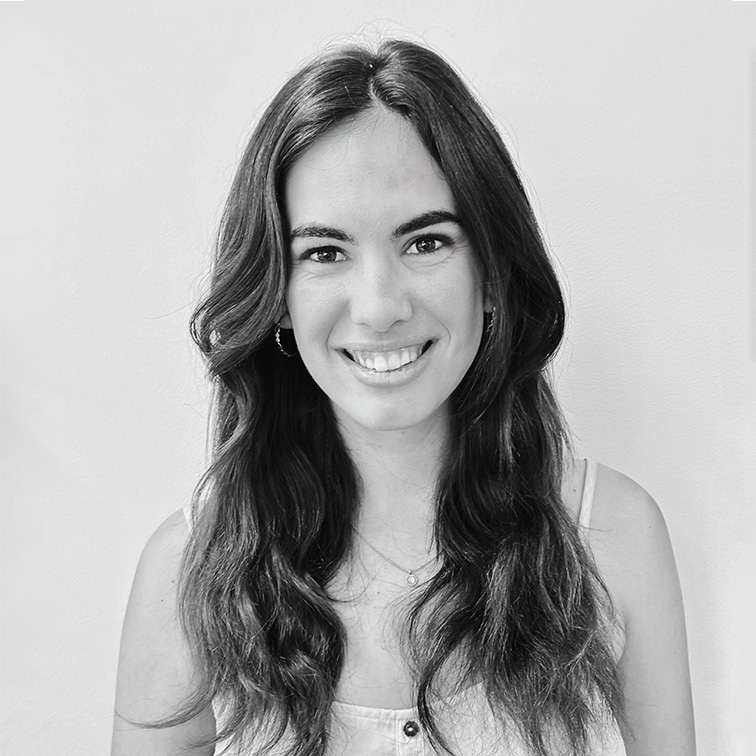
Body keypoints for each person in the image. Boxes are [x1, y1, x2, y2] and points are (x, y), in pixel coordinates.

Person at [111, 39, 696, 756]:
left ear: (492, 274)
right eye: (324, 253)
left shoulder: (613, 536)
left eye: (425, 243)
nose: (381, 306)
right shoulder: (187, 573)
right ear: (278, 297)